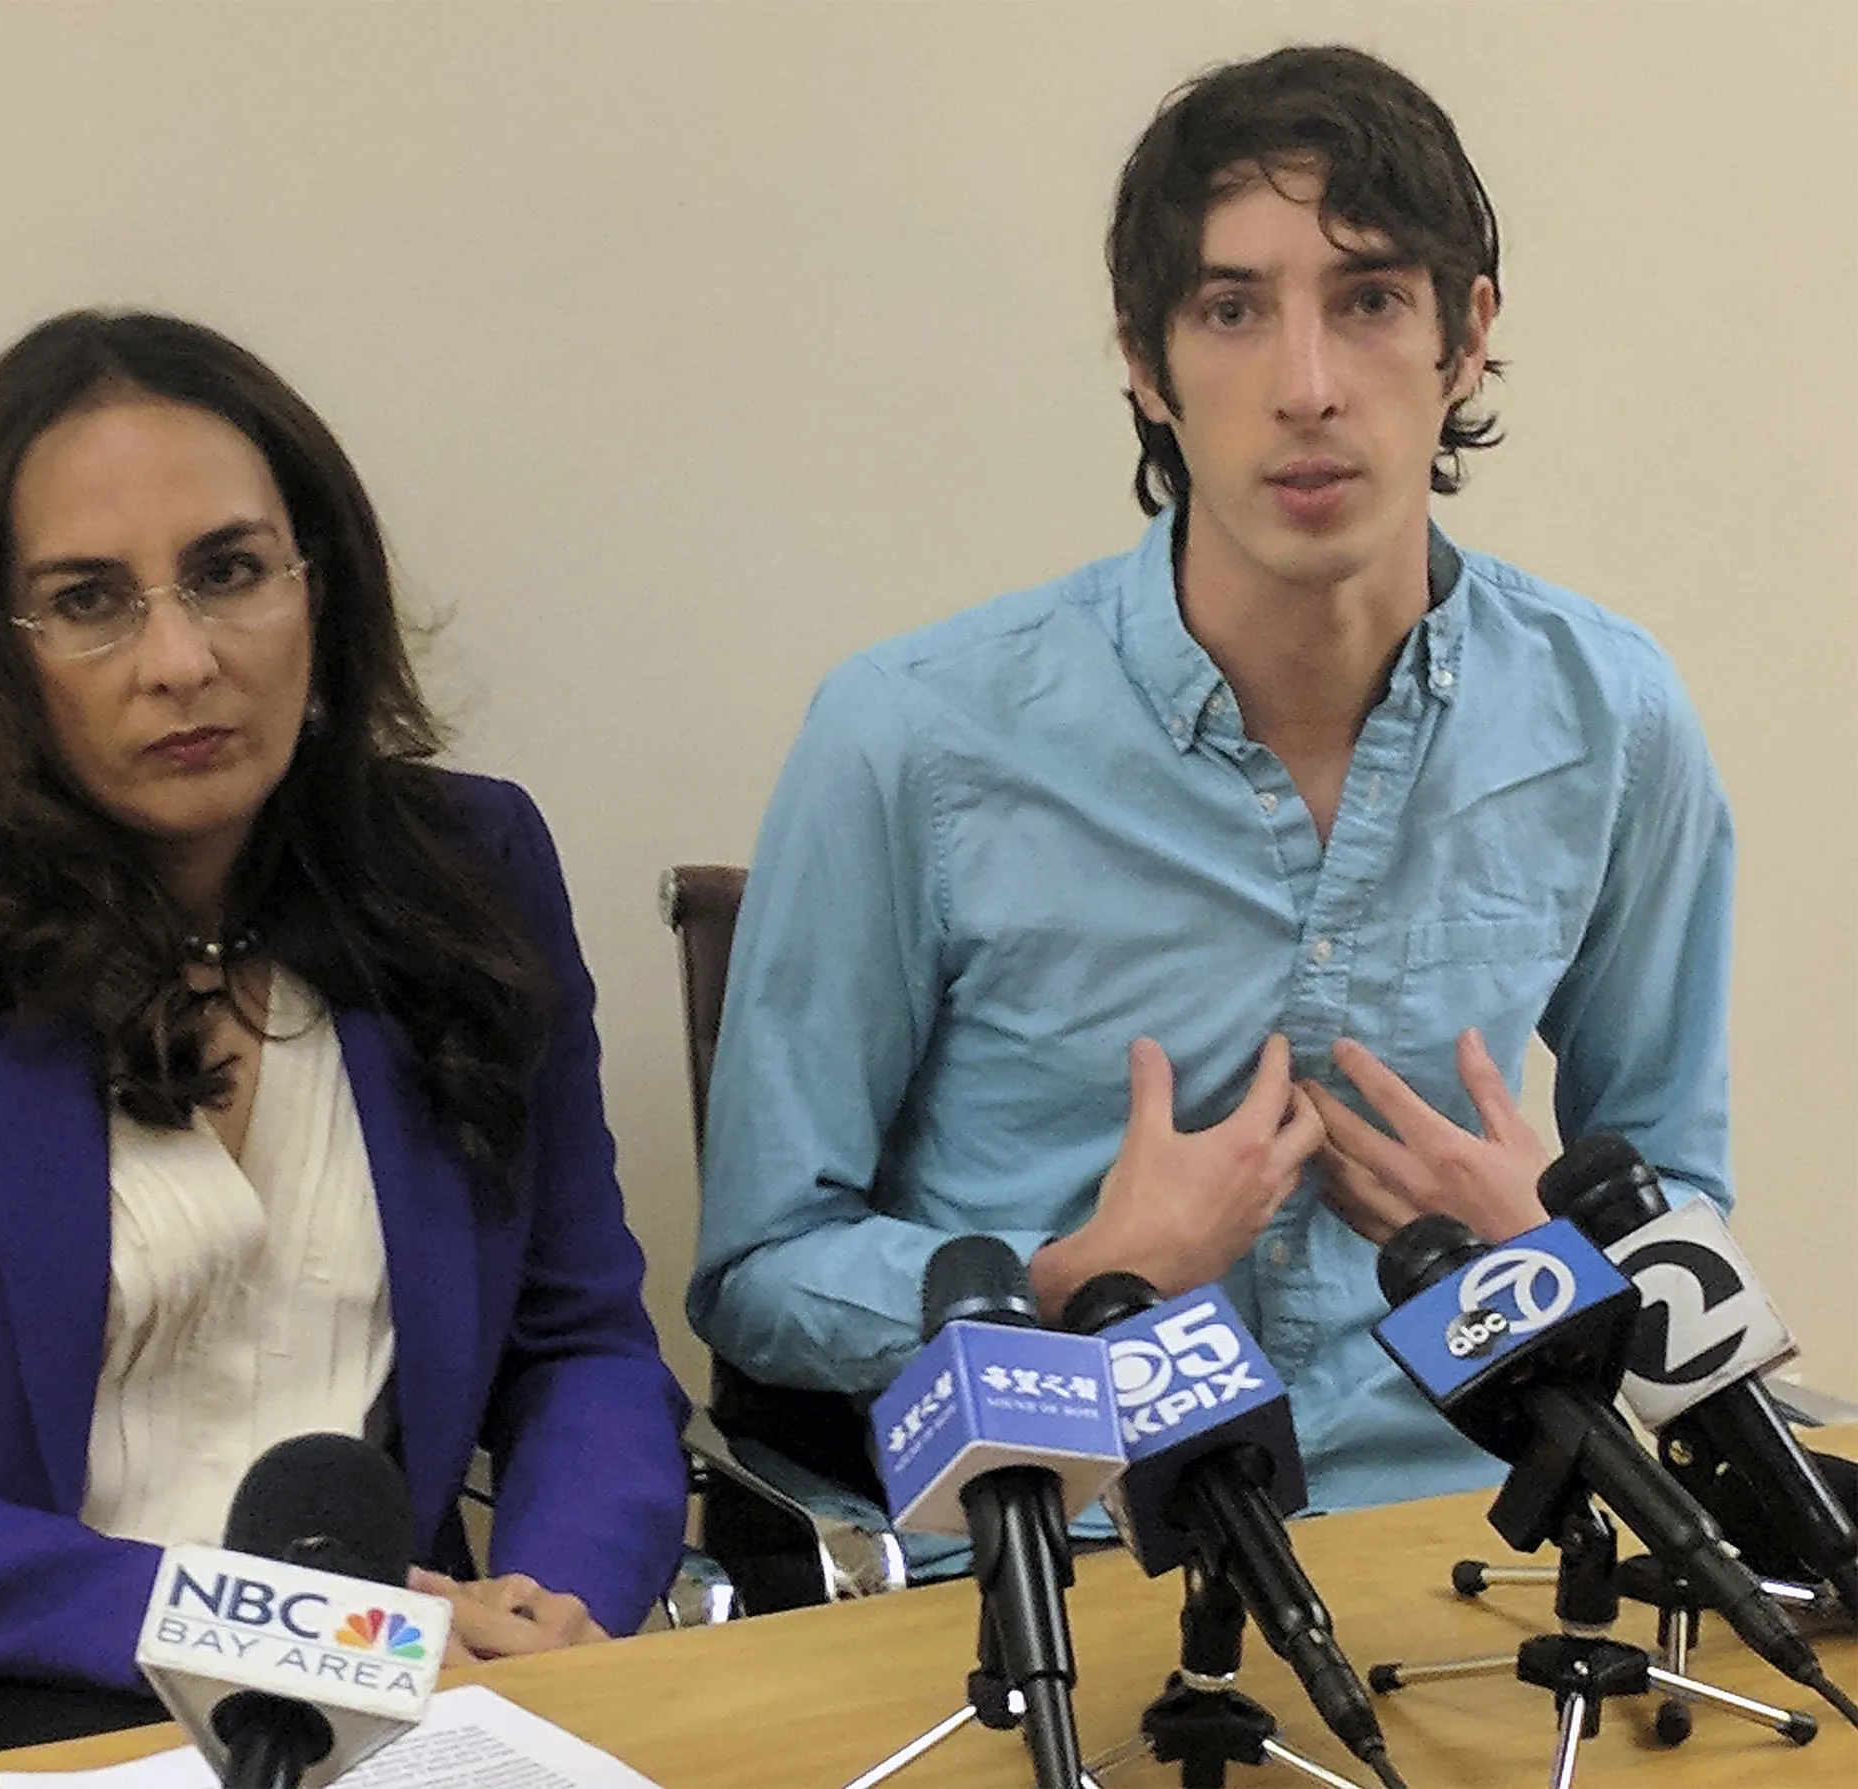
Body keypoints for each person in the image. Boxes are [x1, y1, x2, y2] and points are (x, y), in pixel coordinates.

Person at [688, 45, 1733, 1524]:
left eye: (1370, 301)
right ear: (1145, 359)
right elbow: (757, 1273)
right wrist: (1061, 1282)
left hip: (1461, 1536)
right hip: (1072, 1549)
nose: (1307, 389)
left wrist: (1556, 1259)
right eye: (1231, 310)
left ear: (1467, 337)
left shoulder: (1611, 715)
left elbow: (1682, 1194)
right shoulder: (910, 736)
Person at [0, 311, 691, 1787]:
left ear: (318, 585)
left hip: (378, 1684)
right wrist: (306, 1636)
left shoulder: (472, 864)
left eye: (228, 572)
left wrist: (551, 1606)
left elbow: (578, 1344)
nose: (181, 659)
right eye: (88, 599)